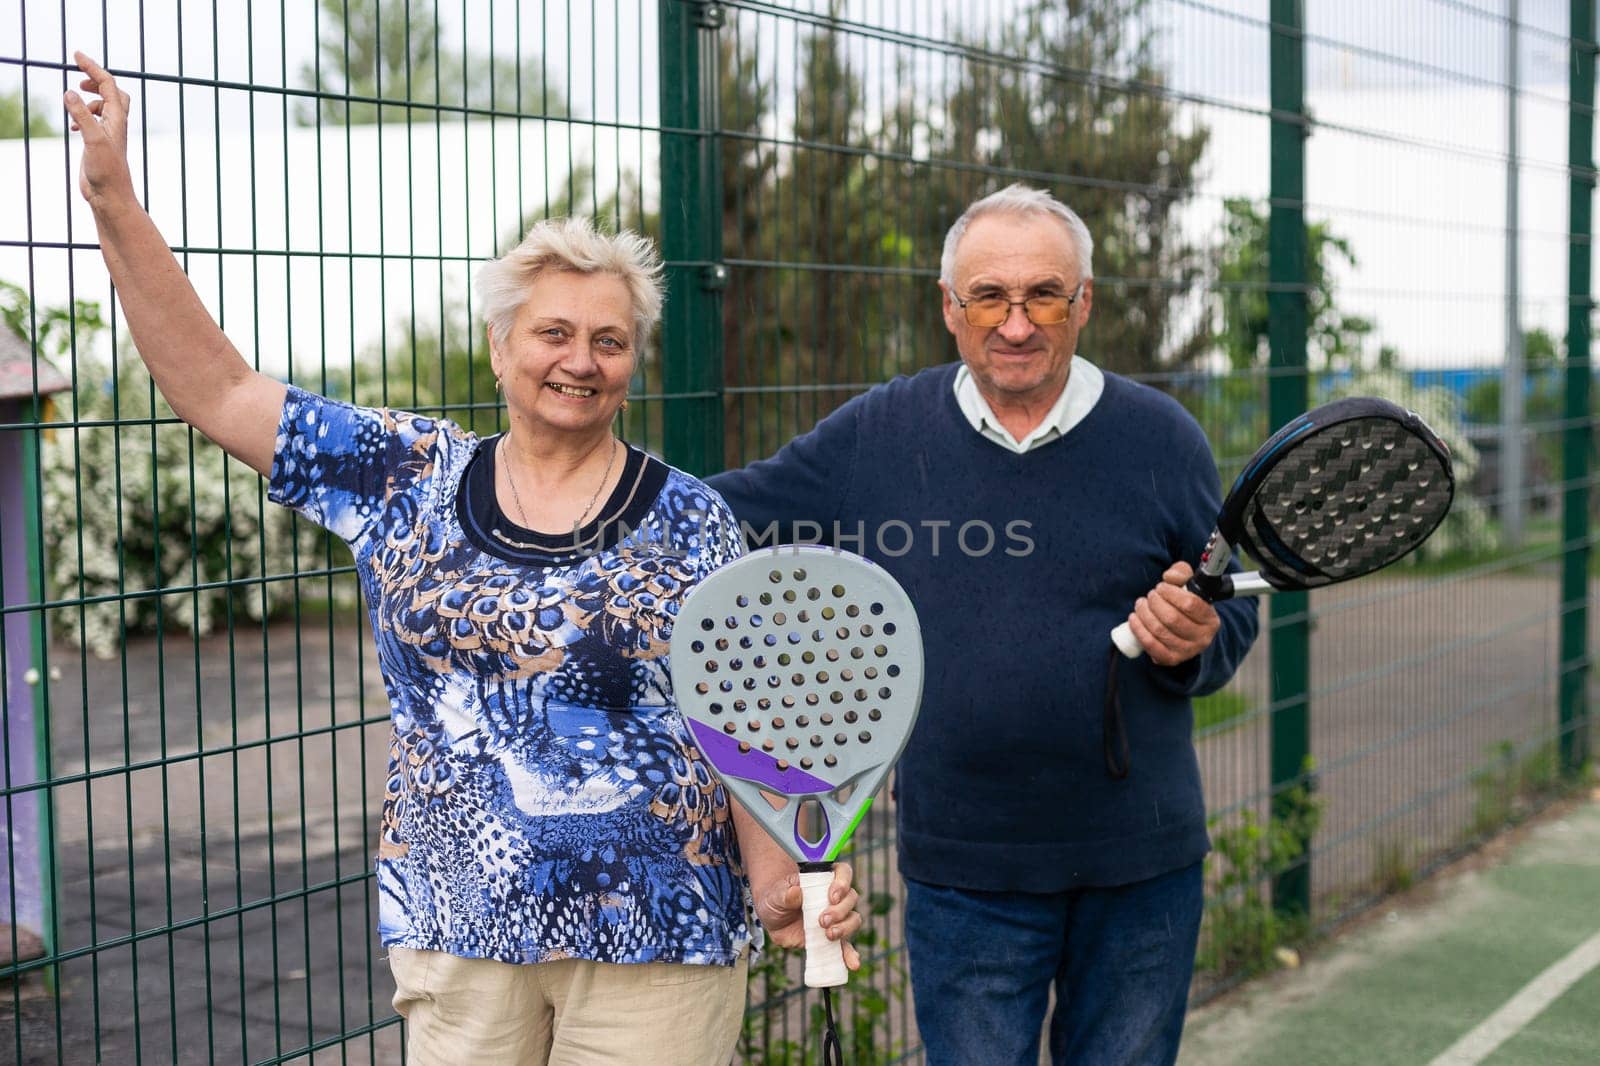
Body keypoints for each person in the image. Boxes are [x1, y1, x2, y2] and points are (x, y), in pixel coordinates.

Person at [64, 52, 862, 1065]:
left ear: (633, 362)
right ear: (500, 346)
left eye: (609, 341)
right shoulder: (403, 475)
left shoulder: (692, 519)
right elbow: (217, 391)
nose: (580, 360)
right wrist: (113, 201)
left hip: (661, 940)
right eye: (555, 332)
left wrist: (782, 877)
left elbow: (739, 729)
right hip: (460, 930)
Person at [708, 183, 1260, 1066]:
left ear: (1084, 303)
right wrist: (575, 485)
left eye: (1044, 293)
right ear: (948, 308)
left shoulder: (1163, 439)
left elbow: (1228, 617)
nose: (1016, 324)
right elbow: (715, 516)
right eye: (989, 297)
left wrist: (1194, 641)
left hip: (1139, 868)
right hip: (965, 870)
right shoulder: (880, 432)